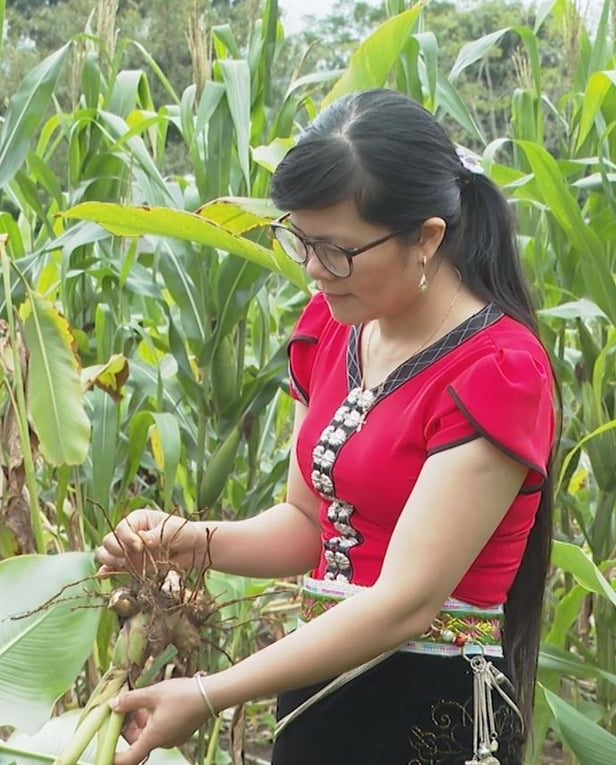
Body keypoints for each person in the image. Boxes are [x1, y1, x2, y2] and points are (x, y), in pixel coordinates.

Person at [96, 88, 556, 765]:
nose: (313, 269)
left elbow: (405, 602)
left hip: (429, 713)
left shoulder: (500, 372)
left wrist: (209, 691)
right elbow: (305, 526)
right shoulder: (331, 330)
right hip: (318, 697)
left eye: (336, 250)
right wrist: (184, 541)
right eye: (301, 239)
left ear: (426, 237)